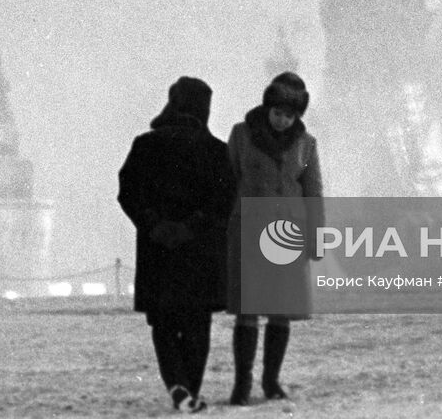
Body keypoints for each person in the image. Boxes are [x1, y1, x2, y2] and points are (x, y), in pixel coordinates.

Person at [118, 76, 236, 413]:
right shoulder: (216, 152)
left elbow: (128, 193)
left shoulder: (145, 145)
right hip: (200, 253)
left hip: (159, 254)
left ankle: (178, 389)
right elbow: (224, 201)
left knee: (165, 325)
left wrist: (155, 225)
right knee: (198, 325)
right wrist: (192, 226)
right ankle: (189, 391)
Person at [226, 71, 323, 405]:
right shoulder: (240, 135)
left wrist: (316, 237)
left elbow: (313, 191)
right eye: (278, 112)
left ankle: (271, 381)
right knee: (248, 311)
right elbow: (230, 179)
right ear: (267, 108)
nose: (283, 120)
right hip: (250, 230)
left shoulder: (307, 144)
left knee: (280, 310)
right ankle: (242, 384)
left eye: (290, 115)